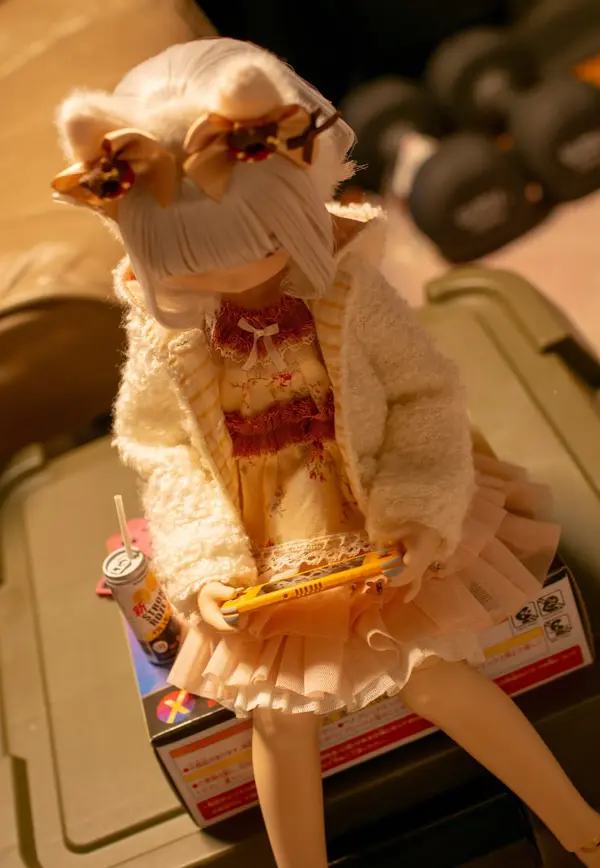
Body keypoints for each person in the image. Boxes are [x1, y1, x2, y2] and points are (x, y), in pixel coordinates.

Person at [53, 37, 600, 868]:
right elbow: (160, 448)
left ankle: (579, 823)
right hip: (257, 542)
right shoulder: (166, 332)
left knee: (436, 675)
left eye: (262, 243)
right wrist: (204, 564)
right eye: (193, 268)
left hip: (369, 501)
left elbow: (423, 396)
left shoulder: (349, 287)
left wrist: (416, 510)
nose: (233, 277)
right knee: (277, 720)